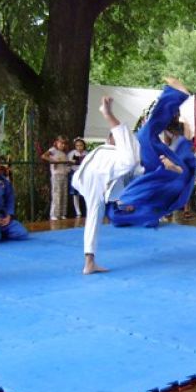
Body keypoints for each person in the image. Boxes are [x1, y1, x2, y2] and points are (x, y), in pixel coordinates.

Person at [107, 79, 196, 228]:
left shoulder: (176, 131)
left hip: (167, 170)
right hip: (168, 174)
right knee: (145, 136)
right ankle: (176, 95)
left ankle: (176, 95)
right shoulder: (141, 202)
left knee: (145, 136)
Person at [71, 98, 142, 274]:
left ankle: (89, 261)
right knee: (130, 159)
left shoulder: (115, 156)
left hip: (89, 180)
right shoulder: (110, 150)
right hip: (93, 176)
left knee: (94, 215)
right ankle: (107, 113)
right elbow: (131, 162)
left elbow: (135, 176)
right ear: (111, 139)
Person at [41, 136, 71, 220]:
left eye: (64, 143)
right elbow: (44, 156)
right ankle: (54, 214)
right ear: (57, 142)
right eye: (61, 143)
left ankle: (62, 213)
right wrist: (53, 161)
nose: (62, 145)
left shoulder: (65, 153)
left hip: (64, 175)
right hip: (56, 175)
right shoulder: (53, 150)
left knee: (63, 194)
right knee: (56, 194)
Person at [68, 138, 88, 217]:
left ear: (84, 145)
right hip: (74, 174)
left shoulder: (87, 154)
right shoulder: (72, 153)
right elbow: (69, 164)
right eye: (77, 145)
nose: (79, 147)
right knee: (75, 193)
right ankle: (78, 212)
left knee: (85, 192)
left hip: (84, 174)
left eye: (81, 145)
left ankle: (87, 209)